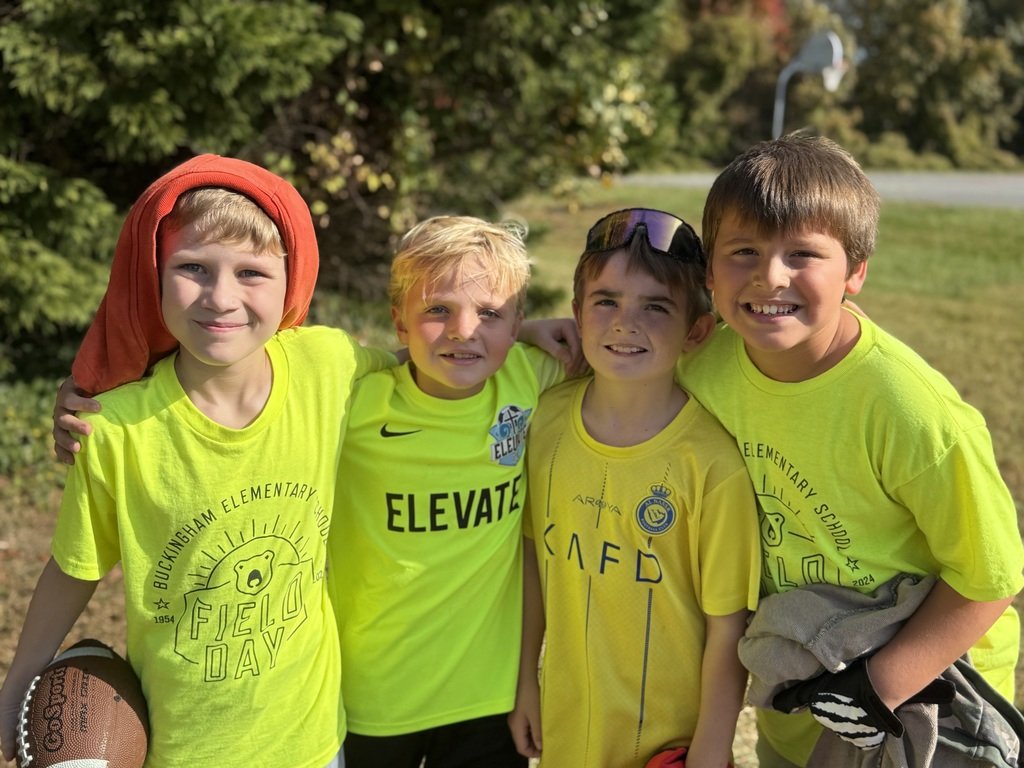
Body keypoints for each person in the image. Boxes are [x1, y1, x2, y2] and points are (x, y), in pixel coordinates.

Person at [0, 154, 397, 768]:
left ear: (292, 281)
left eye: (251, 273)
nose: (221, 297)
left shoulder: (330, 365)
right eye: (192, 267)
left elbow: (430, 364)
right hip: (181, 749)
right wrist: (20, 681)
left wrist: (527, 334)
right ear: (152, 277)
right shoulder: (115, 429)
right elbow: (75, 567)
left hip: (313, 743)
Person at [676, 134, 1024, 766]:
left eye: (803, 253)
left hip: (925, 694)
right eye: (743, 251)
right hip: (801, 677)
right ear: (709, 270)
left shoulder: (910, 409)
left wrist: (878, 687)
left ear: (856, 272)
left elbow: (990, 578)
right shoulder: (706, 368)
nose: (769, 276)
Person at [509, 208, 761, 767]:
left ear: (697, 330)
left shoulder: (713, 466)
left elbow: (729, 630)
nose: (626, 323)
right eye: (607, 302)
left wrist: (712, 749)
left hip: (667, 746)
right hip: (565, 729)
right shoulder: (545, 420)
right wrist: (525, 680)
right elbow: (531, 557)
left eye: (656, 306)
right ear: (577, 314)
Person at [330, 215, 571, 768]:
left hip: (488, 698)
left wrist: (531, 332)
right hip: (372, 697)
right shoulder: (355, 407)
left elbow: (635, 347)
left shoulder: (530, 379)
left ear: (516, 324)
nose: (465, 329)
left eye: (490, 313)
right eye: (437, 310)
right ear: (399, 323)